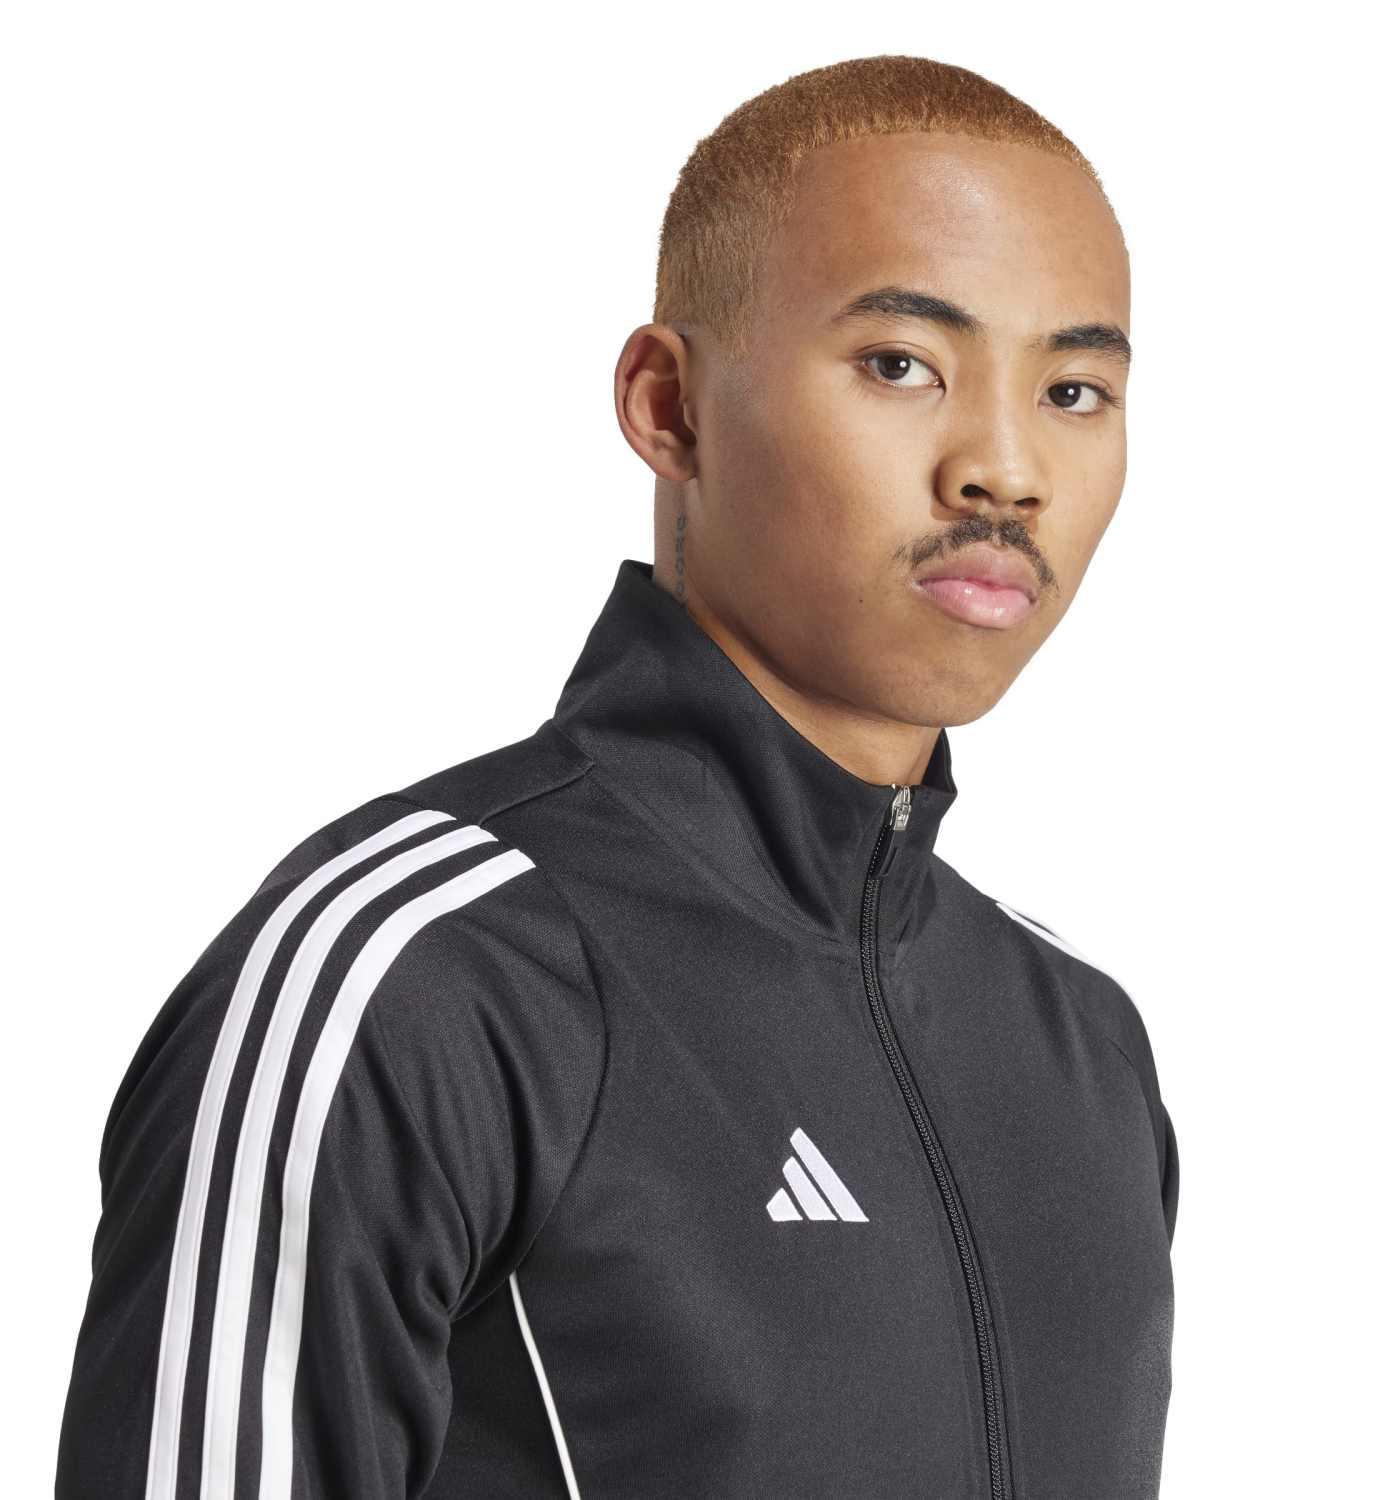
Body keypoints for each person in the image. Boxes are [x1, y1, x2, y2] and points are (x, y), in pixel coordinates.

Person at [56, 52, 1178, 1500]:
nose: (1004, 471)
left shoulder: (1082, 1048)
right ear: (670, 407)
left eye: (1075, 389)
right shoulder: (414, 978)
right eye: (902, 365)